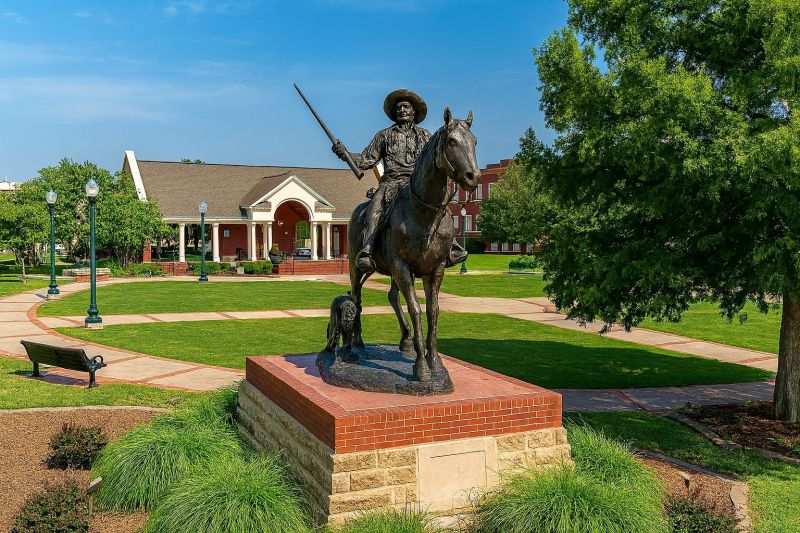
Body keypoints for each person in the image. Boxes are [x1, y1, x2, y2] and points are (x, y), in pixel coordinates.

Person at [333, 88, 467, 272]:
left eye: (406, 107)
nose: (402, 110)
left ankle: (452, 246)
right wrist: (345, 154)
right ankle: (367, 250)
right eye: (398, 108)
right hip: (391, 183)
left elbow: (435, 159)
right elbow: (366, 160)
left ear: (414, 111)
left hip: (417, 183)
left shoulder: (425, 136)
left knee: (442, 205)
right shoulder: (384, 135)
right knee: (375, 207)